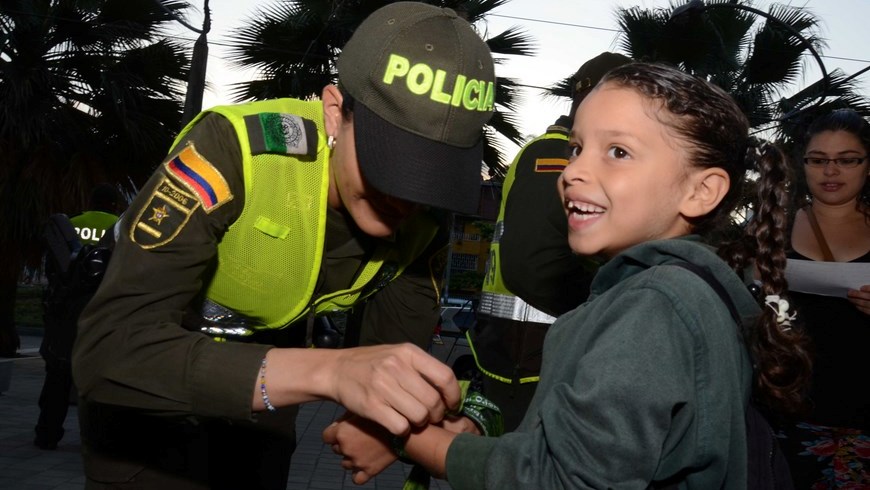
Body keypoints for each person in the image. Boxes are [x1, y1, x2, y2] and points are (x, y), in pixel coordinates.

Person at [325, 62, 814, 488]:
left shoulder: (653, 306)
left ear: (701, 192)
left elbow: (555, 479)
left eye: (618, 152)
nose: (572, 172)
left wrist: (405, 437)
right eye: (577, 147)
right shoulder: (696, 291)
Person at [71, 3, 495, 489]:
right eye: (391, 163)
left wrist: (389, 426)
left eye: (430, 175)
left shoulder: (425, 224)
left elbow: (392, 359)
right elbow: (108, 352)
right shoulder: (237, 152)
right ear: (335, 113)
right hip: (147, 408)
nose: (405, 197)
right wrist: (331, 373)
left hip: (262, 419)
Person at [470, 52, 629, 431]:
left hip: (539, 356)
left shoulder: (577, 157)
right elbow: (533, 264)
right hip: (528, 360)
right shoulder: (555, 156)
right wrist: (610, 307)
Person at [777, 108, 870, 487]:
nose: (831, 171)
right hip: (784, 416)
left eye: (847, 160)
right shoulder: (770, 228)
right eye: (818, 160)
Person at [34, 183, 122, 450]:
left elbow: (52, 268)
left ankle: (47, 434)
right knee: (100, 379)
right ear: (114, 205)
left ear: (91, 201)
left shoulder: (71, 224)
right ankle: (96, 442)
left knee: (57, 377)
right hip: (103, 312)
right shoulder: (121, 228)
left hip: (66, 312)